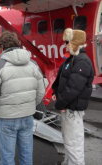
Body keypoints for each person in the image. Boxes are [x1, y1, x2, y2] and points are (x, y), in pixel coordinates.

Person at [0, 31, 45, 165]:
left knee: (7, 158)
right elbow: (41, 91)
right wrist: (31, 106)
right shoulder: (33, 64)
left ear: (1, 47)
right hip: (27, 116)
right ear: (18, 44)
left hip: (6, 118)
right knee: (27, 155)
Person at [52, 28, 94, 165]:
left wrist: (60, 103)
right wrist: (55, 93)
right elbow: (63, 81)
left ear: (74, 42)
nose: (65, 45)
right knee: (69, 140)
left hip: (72, 110)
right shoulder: (73, 59)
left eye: (67, 42)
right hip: (68, 109)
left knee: (74, 143)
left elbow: (72, 89)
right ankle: (68, 162)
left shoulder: (81, 61)